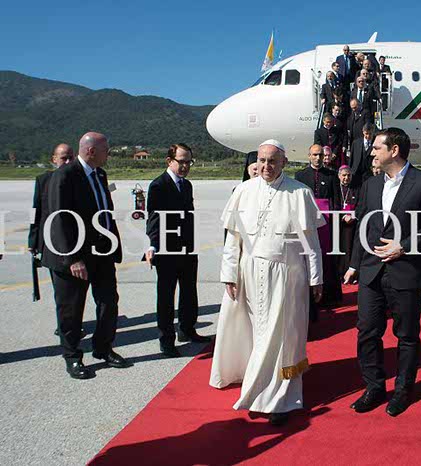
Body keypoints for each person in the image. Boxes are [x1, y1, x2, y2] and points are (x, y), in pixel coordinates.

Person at [210, 140, 324, 426]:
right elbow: (233, 239)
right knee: (256, 333)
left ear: (284, 162)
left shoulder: (300, 193)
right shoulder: (243, 191)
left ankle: (280, 399)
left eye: (272, 161)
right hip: (249, 272)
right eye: (262, 160)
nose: (266, 166)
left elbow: (311, 243)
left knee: (281, 337)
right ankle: (255, 381)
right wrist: (229, 273)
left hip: (287, 274)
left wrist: (316, 278)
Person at [344, 127, 421, 416]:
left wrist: (404, 246)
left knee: (407, 335)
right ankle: (374, 387)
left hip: (406, 270)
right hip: (371, 271)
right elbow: (364, 227)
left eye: (377, 147)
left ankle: (403, 390)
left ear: (394, 150)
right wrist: (353, 264)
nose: (372, 152)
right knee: (367, 331)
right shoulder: (370, 185)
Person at [42, 132, 131, 379]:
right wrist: (72, 258)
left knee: (108, 302)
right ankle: (72, 357)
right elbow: (59, 219)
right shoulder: (64, 175)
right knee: (71, 309)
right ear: (91, 151)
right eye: (106, 150)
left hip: (101, 252)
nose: (108, 154)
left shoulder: (100, 174)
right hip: (73, 257)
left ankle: (103, 348)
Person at [144, 144, 210, 358]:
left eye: (189, 162)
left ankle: (187, 329)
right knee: (166, 296)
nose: (185, 166)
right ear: (169, 161)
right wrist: (153, 245)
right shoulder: (158, 185)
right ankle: (166, 340)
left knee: (189, 291)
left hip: (187, 247)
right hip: (167, 249)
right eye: (181, 161)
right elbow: (153, 218)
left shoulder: (186, 185)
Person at [28, 143, 74, 335]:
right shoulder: (43, 180)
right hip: (52, 243)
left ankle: (72, 323)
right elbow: (35, 211)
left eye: (71, 157)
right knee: (61, 290)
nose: (68, 162)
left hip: (76, 242)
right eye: (63, 158)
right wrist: (33, 240)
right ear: (53, 159)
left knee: (75, 291)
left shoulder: (79, 179)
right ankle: (64, 325)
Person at [296, 144, 343, 313]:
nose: (318, 158)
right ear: (309, 156)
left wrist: (335, 219)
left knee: (326, 256)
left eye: (320, 155)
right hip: (307, 218)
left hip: (327, 221)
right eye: (315, 155)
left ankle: (329, 296)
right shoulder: (300, 175)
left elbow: (336, 200)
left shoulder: (331, 175)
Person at [335, 165, 359, 275]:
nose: (346, 178)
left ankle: (348, 272)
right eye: (344, 175)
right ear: (339, 176)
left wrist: (353, 216)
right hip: (337, 221)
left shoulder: (357, 188)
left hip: (352, 223)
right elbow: (333, 203)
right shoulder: (335, 188)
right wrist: (342, 216)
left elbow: (360, 204)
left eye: (349, 175)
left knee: (349, 247)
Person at [349, 123, 375, 189]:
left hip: (369, 173)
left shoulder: (376, 143)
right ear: (363, 132)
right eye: (366, 134)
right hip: (356, 172)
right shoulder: (356, 143)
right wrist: (350, 170)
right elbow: (351, 158)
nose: (368, 136)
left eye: (370, 134)